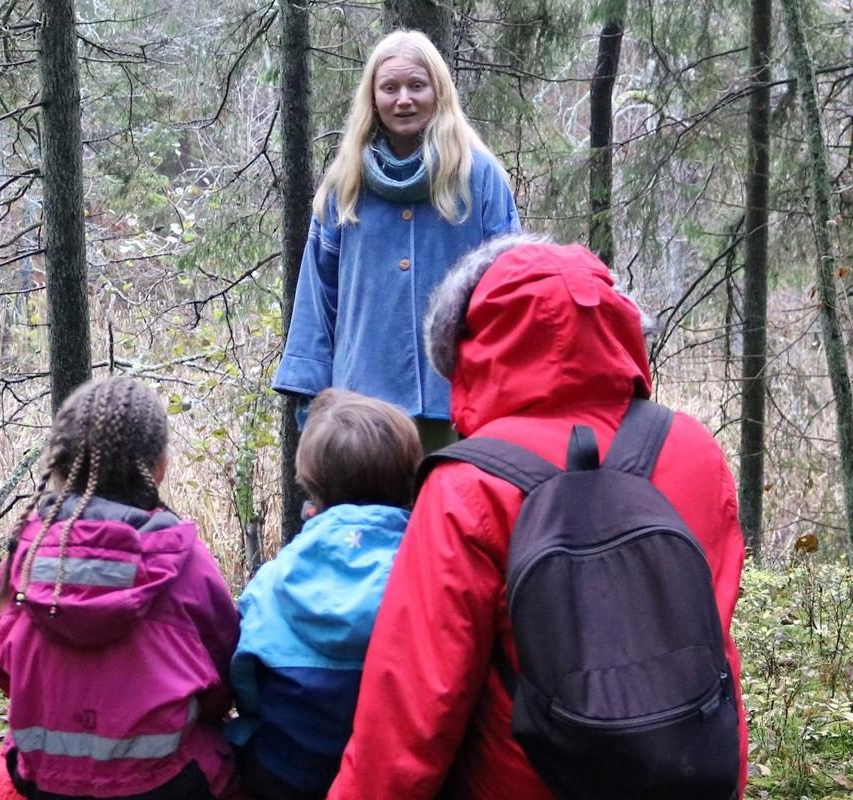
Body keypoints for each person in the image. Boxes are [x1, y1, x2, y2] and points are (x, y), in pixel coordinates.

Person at [328, 235, 748, 798]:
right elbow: (713, 651)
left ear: (470, 348)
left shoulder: (467, 486)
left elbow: (409, 716)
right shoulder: (694, 452)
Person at [0, 376, 239, 800]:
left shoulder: (26, 553)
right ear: (159, 468)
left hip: (42, 781)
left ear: (60, 465)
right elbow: (223, 677)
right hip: (169, 786)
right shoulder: (185, 561)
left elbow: (3, 668)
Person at [273, 29, 521, 452]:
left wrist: (510, 387)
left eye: (416, 86)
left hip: (459, 408)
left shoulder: (479, 177)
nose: (403, 99)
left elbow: (513, 290)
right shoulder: (343, 185)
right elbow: (318, 299)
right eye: (390, 88)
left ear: (437, 92)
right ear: (373, 98)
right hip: (361, 416)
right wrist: (310, 395)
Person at [228, 389, 421, 800]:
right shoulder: (427, 576)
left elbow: (244, 678)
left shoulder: (273, 578)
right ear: (409, 481)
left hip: (286, 776)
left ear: (310, 485)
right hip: (390, 779)